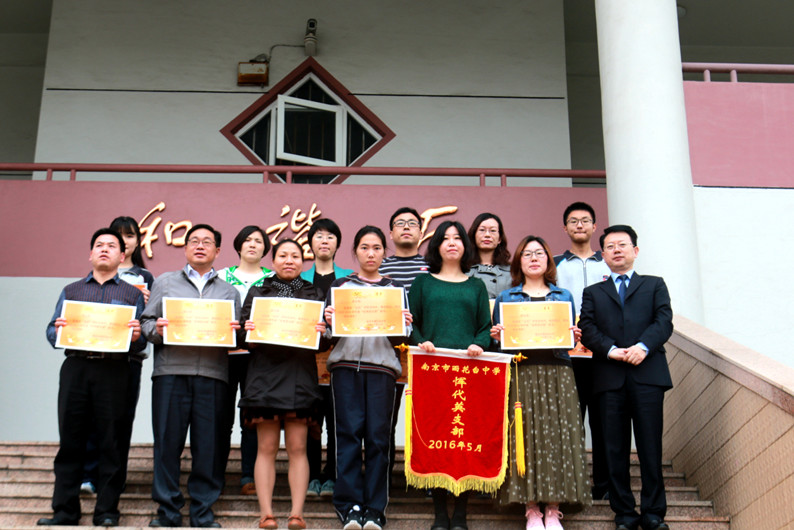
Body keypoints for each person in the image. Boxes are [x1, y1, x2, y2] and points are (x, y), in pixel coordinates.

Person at [38, 228, 146, 527]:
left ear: (121, 256)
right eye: (99, 245)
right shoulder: (71, 291)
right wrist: (58, 329)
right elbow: (50, 333)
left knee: (111, 441)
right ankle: (65, 511)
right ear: (90, 253)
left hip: (114, 370)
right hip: (76, 368)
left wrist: (137, 336)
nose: (104, 249)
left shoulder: (130, 294)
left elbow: (139, 344)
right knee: (70, 440)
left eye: (112, 246)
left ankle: (107, 511)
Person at [141, 224, 242, 528]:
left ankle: (202, 511)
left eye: (207, 242)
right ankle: (168, 512)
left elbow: (235, 340)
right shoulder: (165, 282)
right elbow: (145, 325)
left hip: (213, 375)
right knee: (167, 444)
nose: (200, 246)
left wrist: (238, 334)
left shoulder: (229, 291)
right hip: (171, 373)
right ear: (185, 249)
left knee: (208, 447)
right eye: (194, 241)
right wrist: (156, 330)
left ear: (218, 251)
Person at [491, 235, 592, 530]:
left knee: (560, 434)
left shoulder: (563, 296)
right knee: (523, 436)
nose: (534, 258)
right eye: (527, 254)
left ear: (548, 260)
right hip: (521, 371)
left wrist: (573, 337)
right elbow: (499, 345)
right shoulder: (506, 298)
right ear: (518, 261)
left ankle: (553, 508)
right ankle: (531, 508)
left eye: (540, 253)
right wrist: (497, 338)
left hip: (557, 370)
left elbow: (570, 339)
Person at [579, 225, 673, 530]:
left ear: (635, 250)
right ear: (603, 255)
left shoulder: (654, 285)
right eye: (610, 246)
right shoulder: (593, 292)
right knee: (613, 448)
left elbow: (664, 321)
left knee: (649, 445)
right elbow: (588, 329)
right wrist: (612, 350)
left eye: (622, 244)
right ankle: (624, 512)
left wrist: (642, 347)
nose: (617, 250)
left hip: (647, 375)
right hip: (609, 377)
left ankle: (654, 511)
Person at [324, 226, 412, 530]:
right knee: (347, 437)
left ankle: (375, 508)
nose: (370, 253)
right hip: (345, 368)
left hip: (382, 369)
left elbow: (404, 338)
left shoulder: (395, 290)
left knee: (377, 439)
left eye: (376, 248)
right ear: (355, 252)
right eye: (364, 247)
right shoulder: (340, 286)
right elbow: (327, 336)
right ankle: (349, 506)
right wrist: (329, 322)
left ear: (383, 253)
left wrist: (404, 325)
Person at [239, 239, 328, 530]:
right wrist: (247, 329)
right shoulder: (258, 291)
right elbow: (242, 335)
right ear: (273, 259)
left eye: (295, 256)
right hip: (264, 374)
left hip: (299, 376)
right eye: (283, 255)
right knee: (265, 446)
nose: (289, 260)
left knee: (297, 446)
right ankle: (266, 513)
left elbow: (325, 341)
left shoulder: (314, 292)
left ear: (303, 261)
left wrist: (323, 332)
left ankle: (296, 513)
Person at [407, 220, 491, 530]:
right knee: (437, 440)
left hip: (470, 373)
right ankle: (440, 513)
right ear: (437, 245)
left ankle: (462, 514)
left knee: (464, 440)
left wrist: (477, 344)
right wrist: (420, 341)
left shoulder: (476, 286)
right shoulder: (423, 283)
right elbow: (411, 324)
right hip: (433, 372)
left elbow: (485, 328)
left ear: (465, 246)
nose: (452, 243)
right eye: (446, 238)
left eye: (458, 238)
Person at [80, 216, 155, 497]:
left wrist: (147, 301)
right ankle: (87, 474)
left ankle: (115, 476)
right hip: (93, 354)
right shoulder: (96, 274)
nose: (124, 240)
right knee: (89, 419)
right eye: (117, 235)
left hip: (128, 359)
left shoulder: (145, 277)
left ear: (137, 241)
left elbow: (149, 319)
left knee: (120, 419)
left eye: (130, 235)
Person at [553, 202, 611, 500]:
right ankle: (572, 483)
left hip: (603, 357)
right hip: (567, 356)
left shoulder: (608, 265)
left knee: (603, 422)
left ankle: (602, 486)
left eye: (585, 220)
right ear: (565, 227)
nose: (579, 225)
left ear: (594, 226)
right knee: (570, 421)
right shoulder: (555, 264)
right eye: (573, 221)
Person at [300, 218, 353, 498]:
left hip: (340, 359)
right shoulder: (298, 279)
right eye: (319, 236)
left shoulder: (350, 279)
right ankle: (309, 475)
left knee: (337, 419)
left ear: (337, 244)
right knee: (310, 418)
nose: (324, 241)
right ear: (310, 243)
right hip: (305, 360)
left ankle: (332, 474)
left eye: (330, 236)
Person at [217, 225, 272, 496]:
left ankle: (249, 474)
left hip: (258, 358)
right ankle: (217, 472)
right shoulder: (220, 276)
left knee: (252, 417)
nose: (252, 244)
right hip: (223, 356)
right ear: (238, 246)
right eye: (247, 240)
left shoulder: (275, 278)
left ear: (265, 248)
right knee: (221, 415)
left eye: (258, 241)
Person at [378, 207, 429, 482]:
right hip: (389, 351)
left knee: (426, 415)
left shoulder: (432, 267)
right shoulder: (380, 266)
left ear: (421, 232)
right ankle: (384, 474)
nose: (406, 227)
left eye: (412, 223)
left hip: (425, 350)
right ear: (391, 233)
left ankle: (426, 475)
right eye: (400, 223)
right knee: (386, 415)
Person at [466, 212, 512, 298]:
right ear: (474, 235)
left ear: (500, 239)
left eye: (493, 231)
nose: (487, 235)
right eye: (482, 230)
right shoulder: (463, 270)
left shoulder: (512, 272)